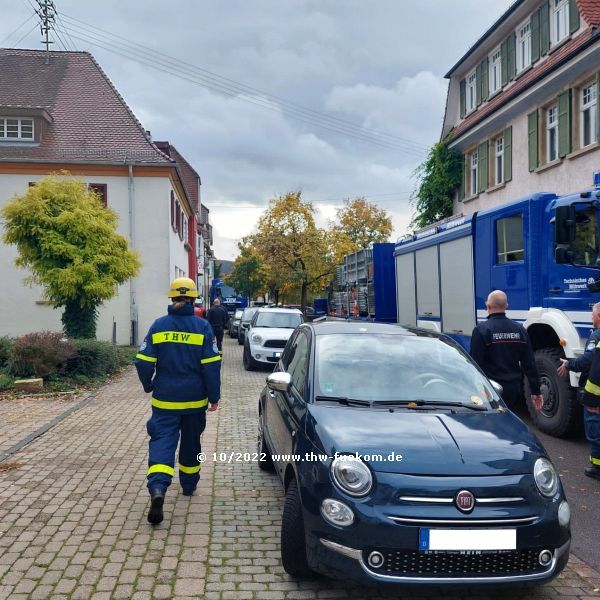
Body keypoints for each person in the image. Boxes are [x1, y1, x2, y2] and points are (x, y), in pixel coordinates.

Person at [135, 277, 221, 525]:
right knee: (191, 443)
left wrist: (148, 384)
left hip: (165, 400)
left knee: (162, 441)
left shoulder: (159, 326)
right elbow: (211, 366)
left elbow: (142, 361)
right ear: (194, 299)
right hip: (194, 401)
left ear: (172, 298)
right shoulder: (202, 327)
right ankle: (188, 486)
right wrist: (213, 397)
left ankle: (158, 489)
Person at [470, 290, 543, 410]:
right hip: (514, 390)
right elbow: (529, 364)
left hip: (490, 390)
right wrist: (536, 391)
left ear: (488, 306)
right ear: (506, 306)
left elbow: (476, 365)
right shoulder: (520, 329)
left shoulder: (481, 330)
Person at [556, 302, 600, 481]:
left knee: (595, 430)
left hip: (595, 396)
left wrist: (568, 363)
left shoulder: (596, 336)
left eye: (593, 315)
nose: (591, 318)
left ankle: (597, 468)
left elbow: (587, 361)